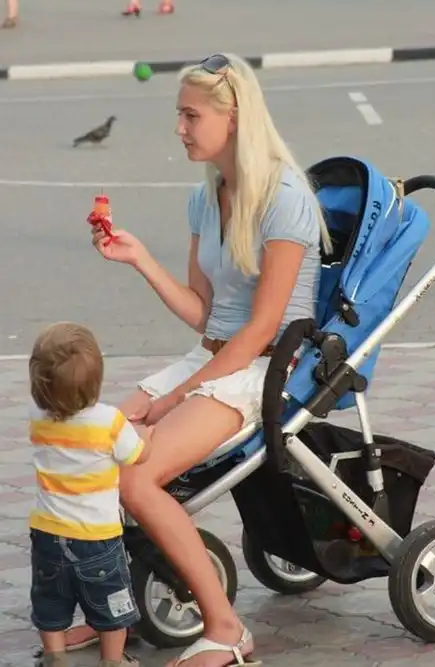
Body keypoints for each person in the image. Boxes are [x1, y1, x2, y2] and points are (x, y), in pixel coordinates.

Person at [61, 52, 332, 667]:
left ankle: (227, 628)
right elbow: (207, 316)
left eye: (191, 116)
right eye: (179, 115)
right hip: (211, 357)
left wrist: (171, 401)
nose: (179, 128)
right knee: (90, 450)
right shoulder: (206, 197)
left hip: (264, 369)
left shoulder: (285, 197)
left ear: (233, 118)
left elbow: (260, 329)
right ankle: (111, 611)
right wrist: (140, 260)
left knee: (137, 477)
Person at [28, 322, 153, 667]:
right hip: (97, 539)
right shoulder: (109, 422)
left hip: (48, 535)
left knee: (50, 604)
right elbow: (138, 455)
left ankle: (55, 657)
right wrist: (146, 435)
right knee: (112, 605)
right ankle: (112, 660)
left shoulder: (36, 417)